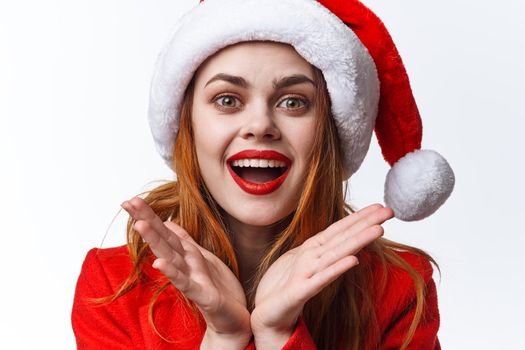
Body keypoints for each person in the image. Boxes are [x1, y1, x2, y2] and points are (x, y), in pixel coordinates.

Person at [72, 0, 455, 349]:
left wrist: (278, 335)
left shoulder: (400, 290)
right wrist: (224, 338)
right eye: (227, 100)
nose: (260, 125)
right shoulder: (114, 287)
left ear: (332, 131)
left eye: (294, 102)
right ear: (186, 125)